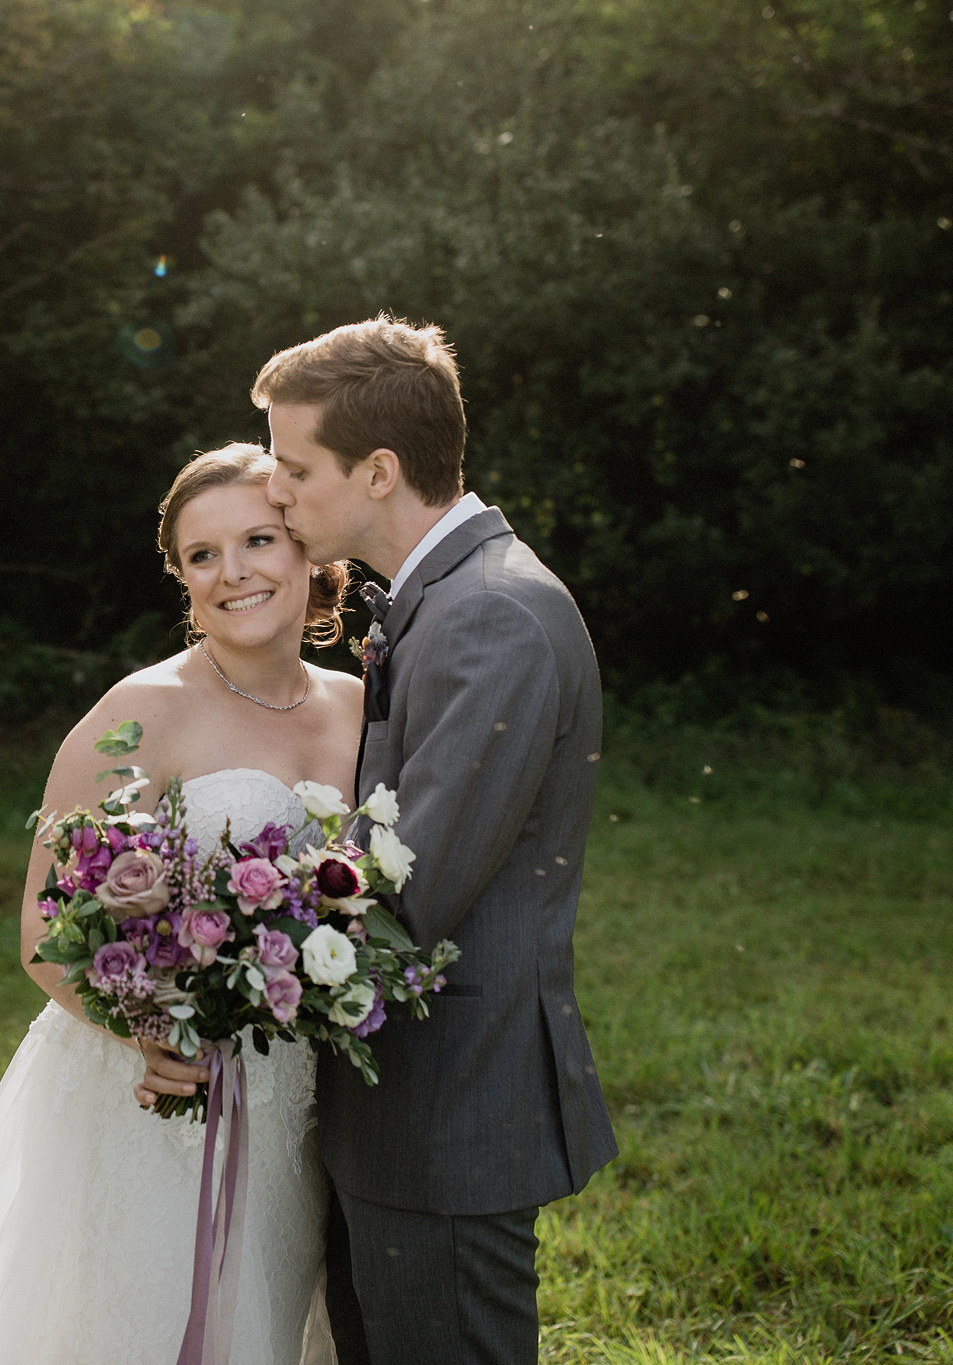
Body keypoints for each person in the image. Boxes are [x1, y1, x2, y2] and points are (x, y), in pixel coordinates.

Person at [150, 315, 619, 1365]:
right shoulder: (439, 602)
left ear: (375, 471)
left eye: (292, 466)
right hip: (404, 1103)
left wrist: (205, 968)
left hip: (448, 1113)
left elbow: (409, 893)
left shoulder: (488, 615)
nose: (274, 491)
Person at [0, 444, 356, 1365]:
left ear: (308, 548)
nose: (233, 572)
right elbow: (42, 925)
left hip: (302, 1099)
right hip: (154, 1095)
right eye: (202, 555)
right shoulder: (143, 710)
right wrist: (147, 1025)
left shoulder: (360, 707)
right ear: (182, 579)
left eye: (259, 539)